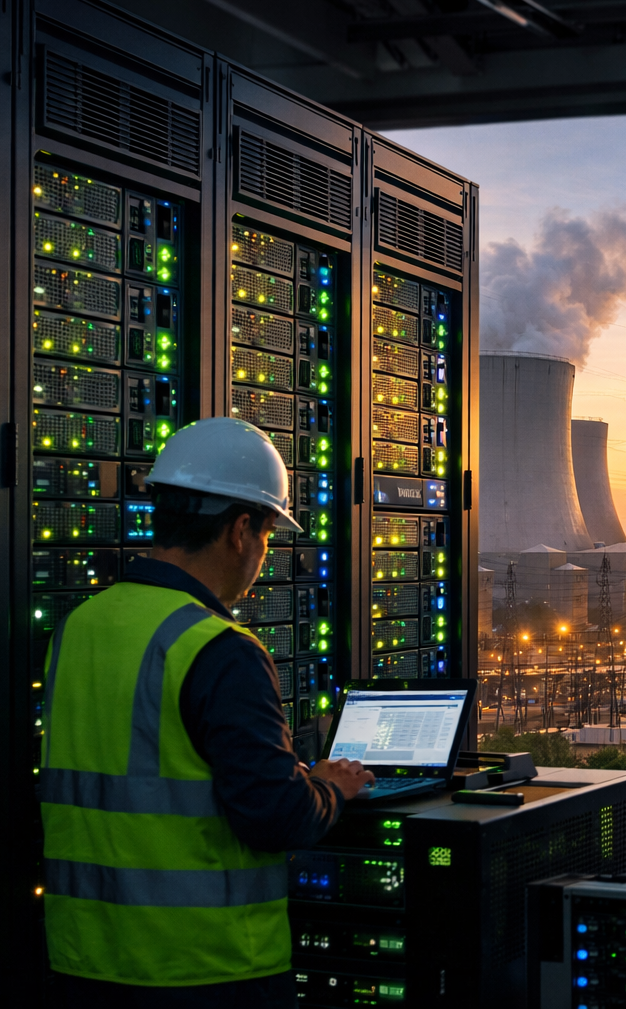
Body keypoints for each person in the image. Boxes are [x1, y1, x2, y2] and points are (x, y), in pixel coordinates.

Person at [40, 418, 375, 1008]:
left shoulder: (80, 626)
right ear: (241, 530)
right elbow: (275, 817)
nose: (264, 557)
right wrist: (328, 787)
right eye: (269, 535)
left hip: (82, 960)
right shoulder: (218, 649)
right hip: (206, 969)